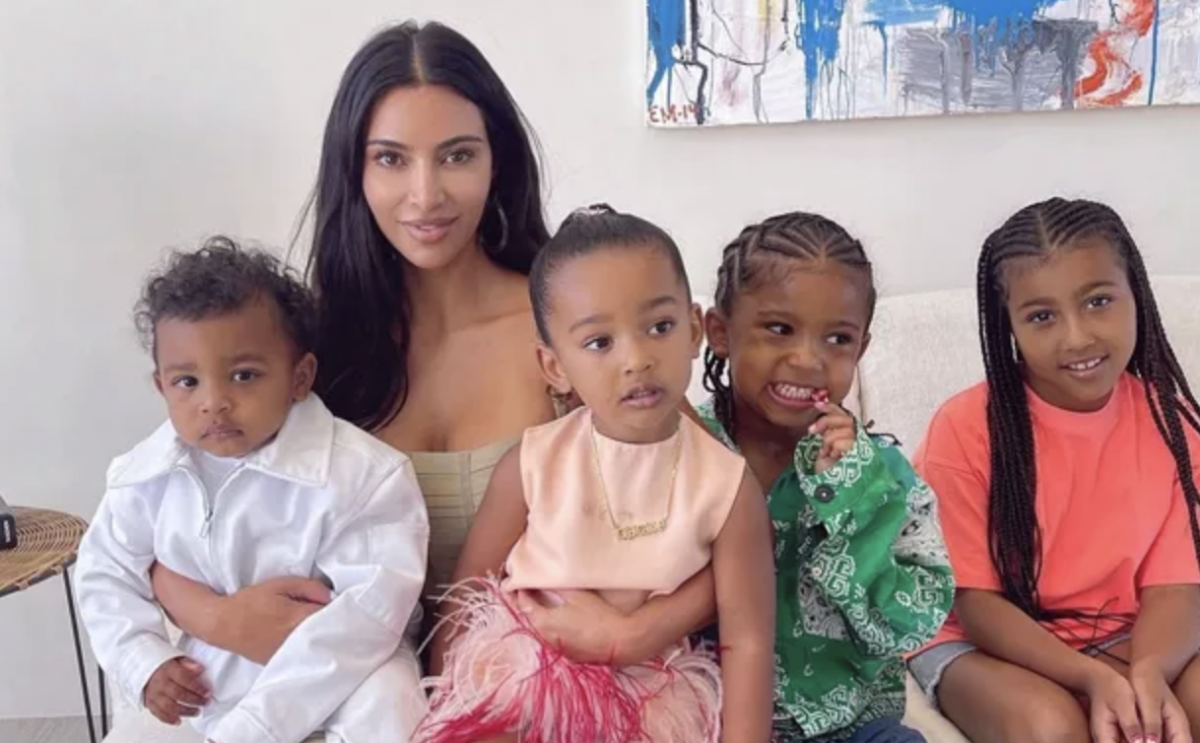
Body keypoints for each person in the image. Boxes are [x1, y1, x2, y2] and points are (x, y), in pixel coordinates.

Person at [148, 20, 714, 679]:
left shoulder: (574, 333)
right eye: (391, 159)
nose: (426, 196)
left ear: (496, 161)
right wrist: (215, 617)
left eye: (457, 156)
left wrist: (637, 630)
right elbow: (158, 507)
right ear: (354, 170)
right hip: (348, 690)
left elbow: (728, 510)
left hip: (545, 688)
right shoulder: (305, 349)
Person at [419, 205, 775, 743]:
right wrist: (447, 708)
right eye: (599, 343)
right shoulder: (532, 463)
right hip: (523, 676)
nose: (636, 359)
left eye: (659, 327)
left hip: (645, 699)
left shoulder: (727, 487)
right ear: (555, 367)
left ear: (694, 330)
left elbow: (747, 641)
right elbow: (466, 598)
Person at [75, 238, 429, 743]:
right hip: (217, 667)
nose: (214, 402)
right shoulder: (144, 477)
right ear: (161, 386)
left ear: (299, 377)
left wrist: (256, 728)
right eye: (187, 382)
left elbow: (369, 615)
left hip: (345, 666)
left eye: (244, 376)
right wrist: (144, 661)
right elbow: (104, 572)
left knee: (389, 700)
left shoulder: (362, 475)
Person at [908, 197, 1200, 743]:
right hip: (982, 639)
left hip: (1127, 632)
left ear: (1137, 294)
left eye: (1098, 301)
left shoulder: (1173, 425)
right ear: (1010, 327)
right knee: (1052, 726)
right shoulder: (964, 429)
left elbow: (1176, 587)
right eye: (1042, 316)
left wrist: (1148, 674)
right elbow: (976, 605)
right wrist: (1090, 677)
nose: (1077, 337)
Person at [697, 212, 955, 743]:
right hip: (704, 721)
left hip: (849, 729)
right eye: (779, 329)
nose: (807, 359)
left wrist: (856, 505)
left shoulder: (880, 474)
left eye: (837, 338)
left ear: (861, 349)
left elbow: (914, 622)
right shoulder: (682, 452)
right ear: (720, 332)